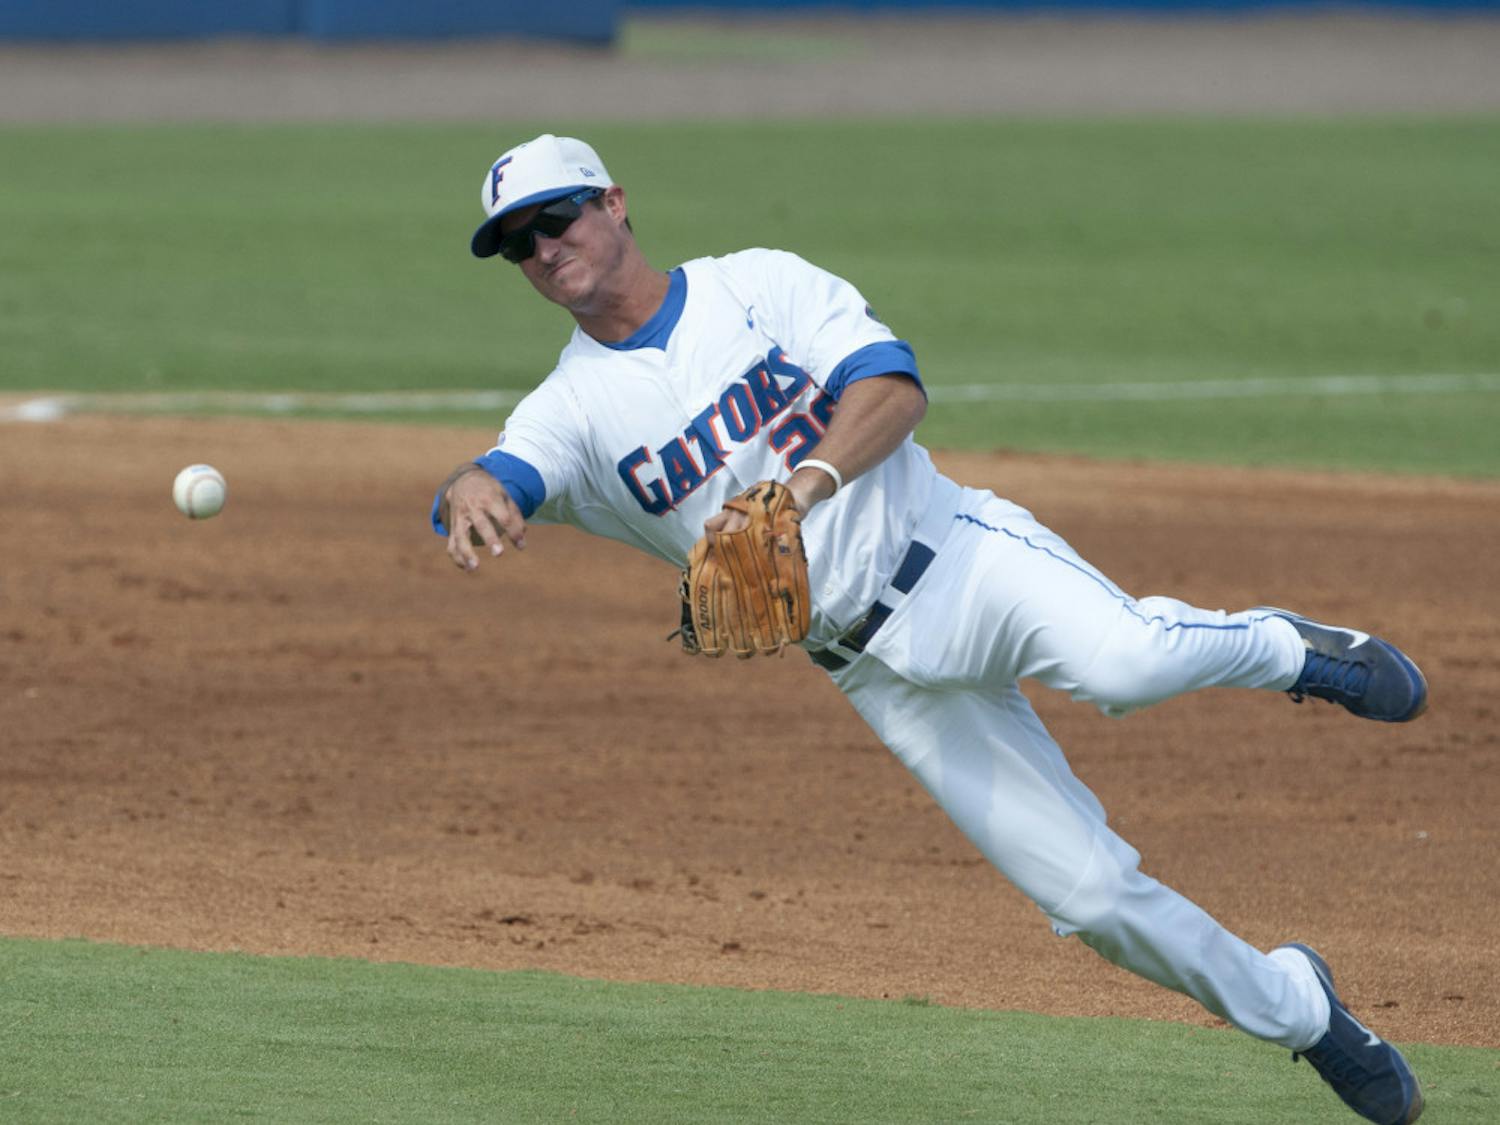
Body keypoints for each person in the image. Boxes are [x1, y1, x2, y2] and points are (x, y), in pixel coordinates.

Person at [432, 134, 1427, 1125]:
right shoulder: (570, 409)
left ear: (612, 203)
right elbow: (499, 475)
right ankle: (1302, 1009)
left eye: (554, 218)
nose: (543, 248)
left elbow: (893, 387)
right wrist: (469, 488)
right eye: (515, 243)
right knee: (1090, 898)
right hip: (877, 675)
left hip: (959, 557)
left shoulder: (756, 286)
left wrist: (800, 488)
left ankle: (1290, 648)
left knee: (1125, 663)